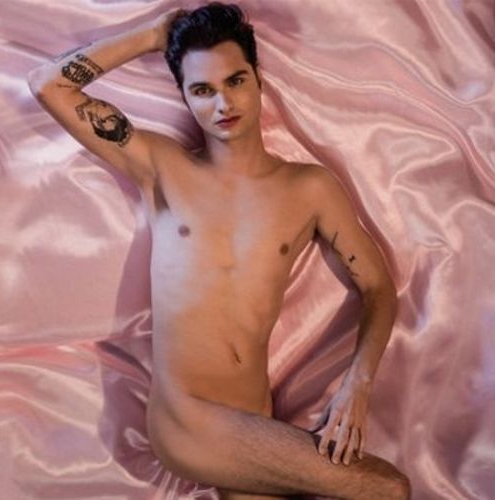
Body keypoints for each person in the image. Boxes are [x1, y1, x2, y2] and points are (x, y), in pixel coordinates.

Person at [27, 2, 411, 499]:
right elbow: (48, 84)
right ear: (186, 97)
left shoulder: (309, 189)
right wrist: (153, 35)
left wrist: (358, 384)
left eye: (235, 81)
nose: (223, 103)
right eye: (202, 90)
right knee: (388, 488)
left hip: (253, 420)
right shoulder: (163, 167)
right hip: (188, 418)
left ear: (258, 79)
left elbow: (378, 287)